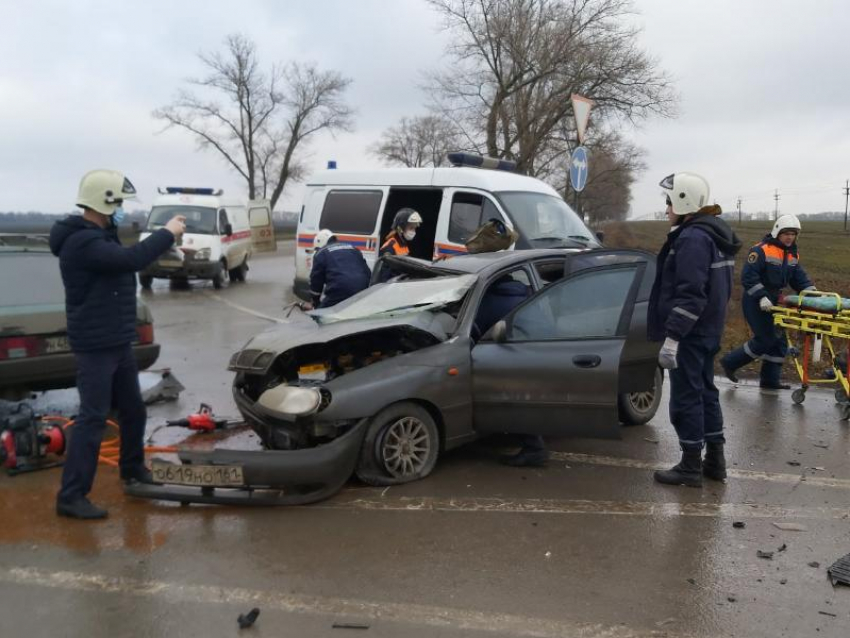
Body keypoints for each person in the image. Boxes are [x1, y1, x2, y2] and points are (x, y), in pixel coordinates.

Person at [50, 169, 186, 519]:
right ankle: (71, 496)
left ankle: (132, 469)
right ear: (104, 201)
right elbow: (132, 260)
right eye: (120, 202)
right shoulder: (83, 243)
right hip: (96, 345)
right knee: (92, 419)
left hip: (116, 341)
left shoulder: (100, 236)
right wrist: (167, 233)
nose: (123, 208)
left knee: (134, 410)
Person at [648, 172, 741, 487]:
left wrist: (672, 337)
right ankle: (715, 461)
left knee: (686, 397)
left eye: (668, 201)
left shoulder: (691, 239)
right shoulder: (716, 234)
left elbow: (690, 294)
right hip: (709, 330)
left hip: (689, 333)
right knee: (706, 392)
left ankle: (690, 466)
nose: (666, 209)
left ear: (683, 200)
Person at [720, 214, 815, 390]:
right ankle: (730, 362)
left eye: (793, 234)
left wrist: (812, 292)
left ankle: (770, 381)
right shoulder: (760, 250)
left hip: (774, 300)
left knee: (779, 342)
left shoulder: (792, 255)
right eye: (786, 233)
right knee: (765, 339)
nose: (789, 237)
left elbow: (799, 278)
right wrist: (761, 296)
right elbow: (748, 277)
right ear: (777, 232)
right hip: (755, 299)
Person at [307, 229, 371, 308]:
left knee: (321, 314)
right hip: (363, 289)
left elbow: (316, 282)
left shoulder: (321, 253)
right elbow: (367, 272)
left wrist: (315, 303)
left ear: (320, 243)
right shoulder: (353, 248)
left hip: (341, 290)